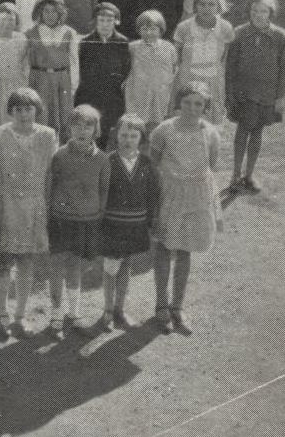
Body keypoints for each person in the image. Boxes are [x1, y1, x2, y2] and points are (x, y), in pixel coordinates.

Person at [149, 82, 221, 334]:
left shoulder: (211, 132)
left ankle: (177, 306)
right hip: (169, 195)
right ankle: (161, 304)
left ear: (206, 107)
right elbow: (153, 163)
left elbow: (211, 165)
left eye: (198, 104)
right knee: (164, 246)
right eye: (187, 102)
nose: (192, 108)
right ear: (179, 103)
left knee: (185, 249)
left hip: (196, 198)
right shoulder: (164, 130)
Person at [0, 87, 57, 334]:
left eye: (29, 109)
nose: (24, 114)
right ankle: (0, 312)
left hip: (34, 206)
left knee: (27, 262)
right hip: (6, 205)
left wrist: (48, 207)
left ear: (37, 110)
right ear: (10, 112)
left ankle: (20, 315)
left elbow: (50, 175)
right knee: (3, 262)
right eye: (18, 109)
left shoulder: (48, 136)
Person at [47, 105, 110, 334]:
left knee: (75, 265)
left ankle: (73, 313)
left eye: (88, 125)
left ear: (96, 129)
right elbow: (51, 185)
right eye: (77, 125)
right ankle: (55, 314)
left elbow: (104, 191)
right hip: (61, 219)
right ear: (69, 128)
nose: (82, 130)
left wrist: (97, 214)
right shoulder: (59, 155)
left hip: (87, 220)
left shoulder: (102, 159)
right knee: (56, 266)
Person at [100, 113, 157, 330]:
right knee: (110, 266)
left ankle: (120, 309)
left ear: (141, 139)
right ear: (116, 136)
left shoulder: (146, 163)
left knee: (126, 265)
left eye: (134, 136)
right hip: (113, 225)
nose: (128, 140)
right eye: (124, 135)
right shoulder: (107, 161)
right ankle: (107, 310)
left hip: (135, 224)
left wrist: (150, 220)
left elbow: (152, 194)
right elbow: (101, 193)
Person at [225, 0, 285, 194]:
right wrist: (230, 94)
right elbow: (230, 67)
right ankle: (235, 175)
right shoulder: (239, 32)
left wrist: (280, 96)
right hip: (244, 92)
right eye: (254, 10)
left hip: (267, 92)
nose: (259, 15)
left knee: (258, 131)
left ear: (271, 13)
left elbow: (283, 68)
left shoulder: (280, 36)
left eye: (264, 11)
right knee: (243, 129)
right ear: (249, 11)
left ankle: (249, 175)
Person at [173, 0, 234, 125]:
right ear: (195, 6)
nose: (207, 8)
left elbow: (225, 57)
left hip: (213, 78)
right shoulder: (184, 27)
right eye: (202, 4)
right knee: (187, 115)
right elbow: (176, 55)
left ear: (218, 7)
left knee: (210, 116)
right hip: (188, 77)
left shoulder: (225, 27)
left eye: (211, 4)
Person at [76, 1, 130, 148]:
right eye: (101, 20)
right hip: (90, 93)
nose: (105, 24)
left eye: (109, 21)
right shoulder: (86, 42)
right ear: (95, 22)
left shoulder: (122, 42)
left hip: (113, 94)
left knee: (108, 130)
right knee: (91, 126)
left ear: (115, 22)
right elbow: (82, 69)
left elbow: (126, 68)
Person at [26, 0, 79, 143]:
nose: (50, 15)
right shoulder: (31, 32)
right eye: (46, 11)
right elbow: (25, 61)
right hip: (39, 79)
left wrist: (73, 85)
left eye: (54, 11)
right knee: (42, 115)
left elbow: (74, 61)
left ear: (60, 13)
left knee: (64, 116)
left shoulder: (68, 32)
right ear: (40, 13)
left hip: (62, 79)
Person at [125, 9, 177, 135]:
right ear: (138, 31)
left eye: (153, 29)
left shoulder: (168, 47)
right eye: (144, 29)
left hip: (160, 92)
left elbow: (174, 67)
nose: (149, 33)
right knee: (138, 124)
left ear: (161, 30)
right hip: (139, 92)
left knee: (157, 124)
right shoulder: (133, 48)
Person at [0, 1, 29, 127]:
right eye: (3, 19)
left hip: (15, 85)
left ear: (16, 22)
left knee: (14, 120)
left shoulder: (21, 39)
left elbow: (25, 64)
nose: (7, 23)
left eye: (11, 20)